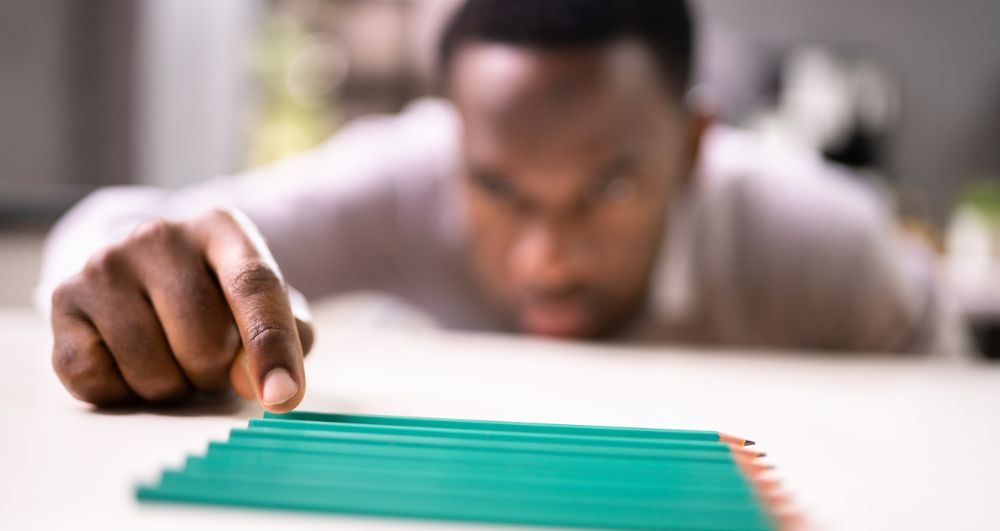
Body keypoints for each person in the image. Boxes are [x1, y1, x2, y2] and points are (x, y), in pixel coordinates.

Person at [37, 0, 967, 413]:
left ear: (693, 148)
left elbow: (958, 413)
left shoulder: (821, 236)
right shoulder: (408, 171)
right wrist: (134, 280)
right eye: (499, 188)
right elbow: (116, 235)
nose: (544, 258)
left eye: (608, 187)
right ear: (456, 139)